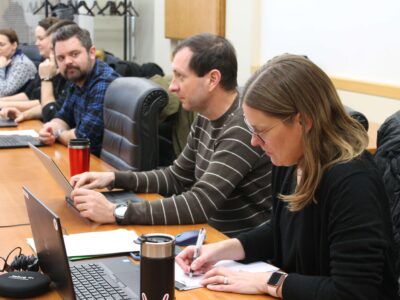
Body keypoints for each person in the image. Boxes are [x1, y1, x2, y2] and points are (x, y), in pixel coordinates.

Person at [175, 54, 400, 299]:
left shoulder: (352, 181)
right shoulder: (289, 159)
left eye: (261, 131)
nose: (254, 142)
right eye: (252, 130)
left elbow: (352, 292)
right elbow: (283, 230)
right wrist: (222, 250)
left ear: (303, 121)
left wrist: (268, 281)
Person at [70, 33, 273, 237]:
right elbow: (176, 177)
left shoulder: (242, 126)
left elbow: (200, 203)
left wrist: (117, 212)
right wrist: (113, 178)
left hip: (235, 248)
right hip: (209, 237)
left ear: (213, 79)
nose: (172, 86)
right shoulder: (205, 116)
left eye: (180, 76)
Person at [38, 24, 119, 156]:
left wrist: (57, 133)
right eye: (61, 58)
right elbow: (63, 117)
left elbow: (81, 139)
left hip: (104, 168)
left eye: (74, 54)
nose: (68, 62)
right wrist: (49, 129)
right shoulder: (76, 78)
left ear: (91, 52)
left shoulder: (104, 83)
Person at [0, 18, 75, 122]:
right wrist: (23, 115)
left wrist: (46, 79)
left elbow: (50, 110)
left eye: (41, 38)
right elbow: (31, 96)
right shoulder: (47, 64)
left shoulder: (23, 63)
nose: (36, 43)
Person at [0, 28, 37, 97]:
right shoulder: (2, 59)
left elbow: (3, 93)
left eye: (1, 45)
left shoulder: (22, 64)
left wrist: (1, 68)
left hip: (13, 104)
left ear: (14, 45)